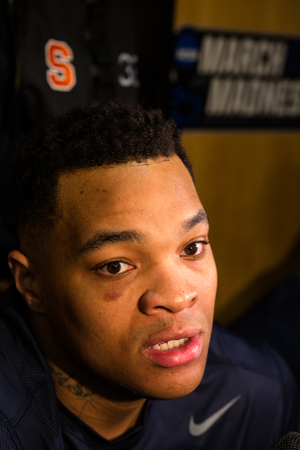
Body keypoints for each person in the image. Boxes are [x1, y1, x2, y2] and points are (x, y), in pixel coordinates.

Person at [0, 103, 299, 449]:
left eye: (192, 247)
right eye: (115, 266)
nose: (177, 297)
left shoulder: (256, 393)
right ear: (31, 284)